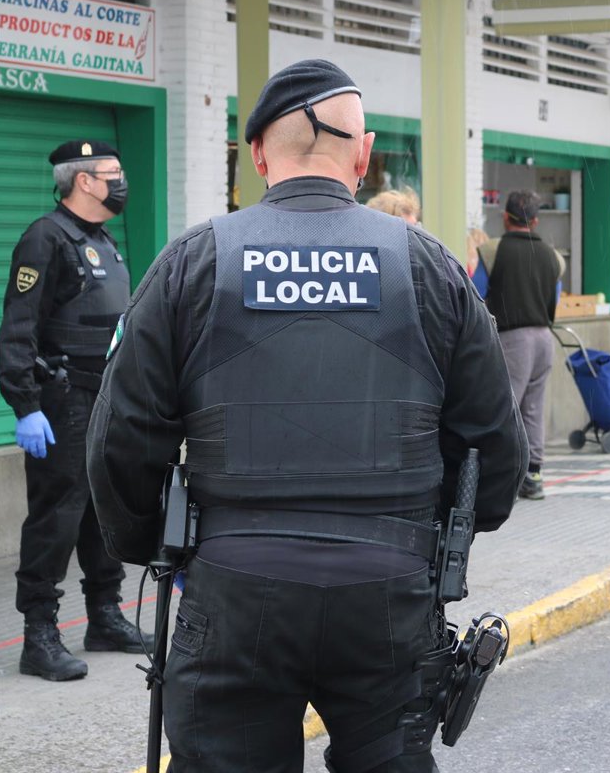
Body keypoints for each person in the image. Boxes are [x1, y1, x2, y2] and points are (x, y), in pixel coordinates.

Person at [87, 59, 527, 772]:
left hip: (233, 586)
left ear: (258, 154)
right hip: (389, 593)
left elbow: (122, 439)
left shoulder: (193, 262)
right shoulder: (429, 265)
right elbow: (494, 444)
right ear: (363, 154)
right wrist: (424, 541)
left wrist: (160, 547)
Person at [0, 140, 149, 682]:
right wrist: (25, 405)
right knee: (57, 515)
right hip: (62, 400)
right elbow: (18, 328)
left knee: (101, 509)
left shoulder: (102, 239)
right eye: (113, 172)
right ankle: (39, 634)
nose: (122, 181)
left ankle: (104, 616)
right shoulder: (46, 237)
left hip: (104, 397)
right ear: (84, 180)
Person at [478, 190, 565, 501]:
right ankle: (533, 475)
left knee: (506, 407)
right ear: (536, 221)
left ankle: (505, 478)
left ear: (505, 217)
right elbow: (555, 298)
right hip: (544, 338)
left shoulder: (491, 251)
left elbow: (476, 295)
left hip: (512, 339)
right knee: (533, 408)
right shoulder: (553, 257)